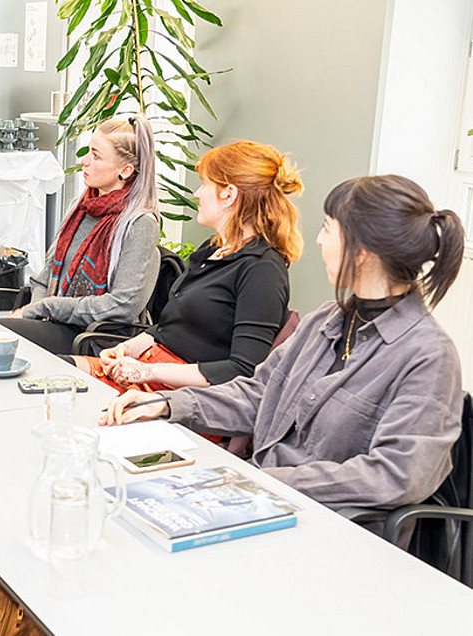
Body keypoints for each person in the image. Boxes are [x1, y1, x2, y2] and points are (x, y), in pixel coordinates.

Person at [102, 174, 465, 514]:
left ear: (364, 250)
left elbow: (395, 476)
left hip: (330, 525)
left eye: (328, 229)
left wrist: (262, 481)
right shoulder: (327, 320)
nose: (320, 241)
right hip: (259, 495)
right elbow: (258, 395)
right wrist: (165, 404)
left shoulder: (428, 356)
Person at [73, 140, 303, 402]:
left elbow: (243, 370)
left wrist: (149, 371)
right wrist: (124, 350)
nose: (197, 193)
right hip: (151, 373)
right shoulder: (213, 250)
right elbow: (167, 329)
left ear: (228, 194)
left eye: (205, 184)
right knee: (58, 373)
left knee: (69, 399)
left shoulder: (262, 270)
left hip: (187, 398)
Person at [0, 115, 161, 354]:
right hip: (56, 323)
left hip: (93, 336)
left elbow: (123, 306)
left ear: (125, 170)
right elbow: (46, 275)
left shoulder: (138, 224)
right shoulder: (80, 206)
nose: (84, 161)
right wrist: (33, 314)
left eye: (96, 156)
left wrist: (45, 309)